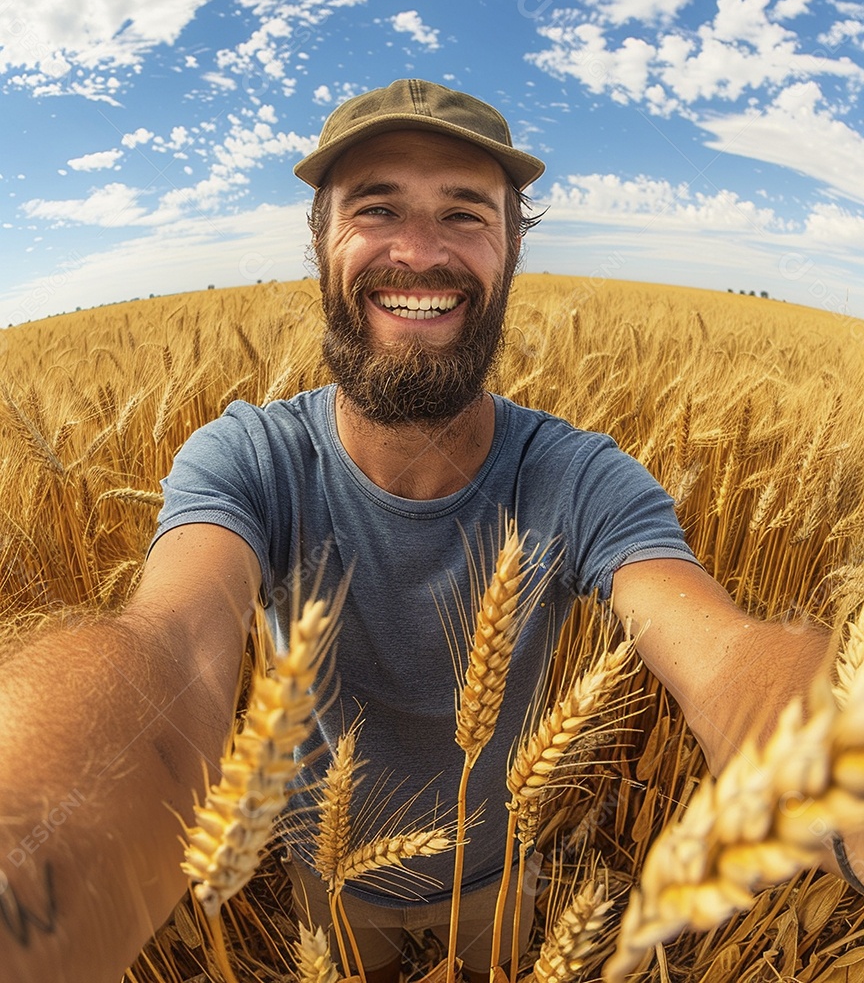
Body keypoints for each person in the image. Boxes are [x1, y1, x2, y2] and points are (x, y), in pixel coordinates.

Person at [0, 79, 857, 983]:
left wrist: (835, 754)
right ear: (321, 241)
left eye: (464, 214)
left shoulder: (578, 477)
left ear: (511, 250)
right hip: (328, 871)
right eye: (376, 209)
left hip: (496, 870)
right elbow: (171, 651)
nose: (419, 251)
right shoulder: (248, 459)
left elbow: (722, 656)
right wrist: (29, 856)